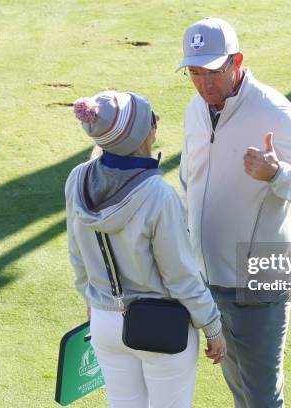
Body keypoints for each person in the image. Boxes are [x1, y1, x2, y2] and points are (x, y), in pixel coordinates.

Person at [177, 18, 291, 408]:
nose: (204, 85)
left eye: (213, 72)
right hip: (208, 284)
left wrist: (278, 173)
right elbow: (189, 183)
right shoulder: (194, 112)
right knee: (241, 393)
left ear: (237, 62)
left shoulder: (275, 112)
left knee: (262, 398)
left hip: (257, 287)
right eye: (195, 73)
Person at [65, 90, 226, 408]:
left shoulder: (76, 178)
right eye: (152, 119)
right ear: (143, 133)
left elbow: (77, 255)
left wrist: (91, 300)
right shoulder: (158, 195)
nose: (157, 123)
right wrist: (212, 326)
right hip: (161, 328)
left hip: (104, 322)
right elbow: (181, 276)